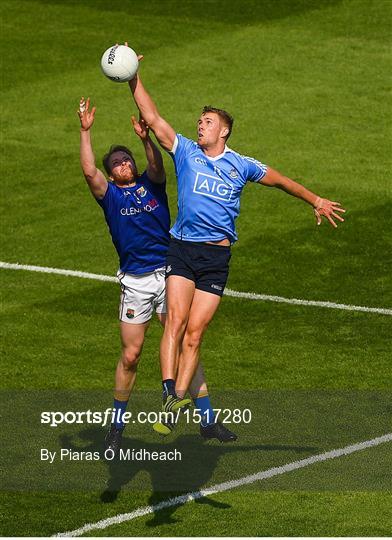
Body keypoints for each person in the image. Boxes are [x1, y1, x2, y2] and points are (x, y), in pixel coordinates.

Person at [127, 60, 346, 432]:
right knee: (175, 323)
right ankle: (168, 392)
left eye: (208, 121)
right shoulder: (184, 151)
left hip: (216, 256)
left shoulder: (241, 165)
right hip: (181, 248)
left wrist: (315, 200)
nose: (200, 124)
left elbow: (282, 181)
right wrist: (133, 77)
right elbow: (152, 115)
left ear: (224, 131)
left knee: (195, 333)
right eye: (200, 120)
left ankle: (178, 401)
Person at [77, 97, 237, 455]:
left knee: (184, 342)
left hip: (170, 271)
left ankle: (207, 420)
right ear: (111, 171)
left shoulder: (152, 184)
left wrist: (146, 139)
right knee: (132, 355)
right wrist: (85, 132)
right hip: (134, 282)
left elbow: (156, 165)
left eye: (126, 159)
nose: (123, 164)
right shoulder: (109, 196)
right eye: (116, 163)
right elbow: (89, 172)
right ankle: (116, 426)